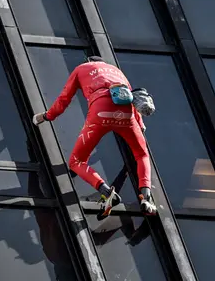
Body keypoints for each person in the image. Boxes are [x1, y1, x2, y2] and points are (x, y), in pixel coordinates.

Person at [33, 56, 157, 218]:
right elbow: (132, 99)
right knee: (141, 154)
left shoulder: (81, 68)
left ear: (88, 61)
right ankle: (146, 197)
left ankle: (105, 191)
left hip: (100, 112)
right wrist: (139, 127)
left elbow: (64, 99)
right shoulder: (117, 71)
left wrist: (47, 116)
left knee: (76, 161)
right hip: (126, 115)